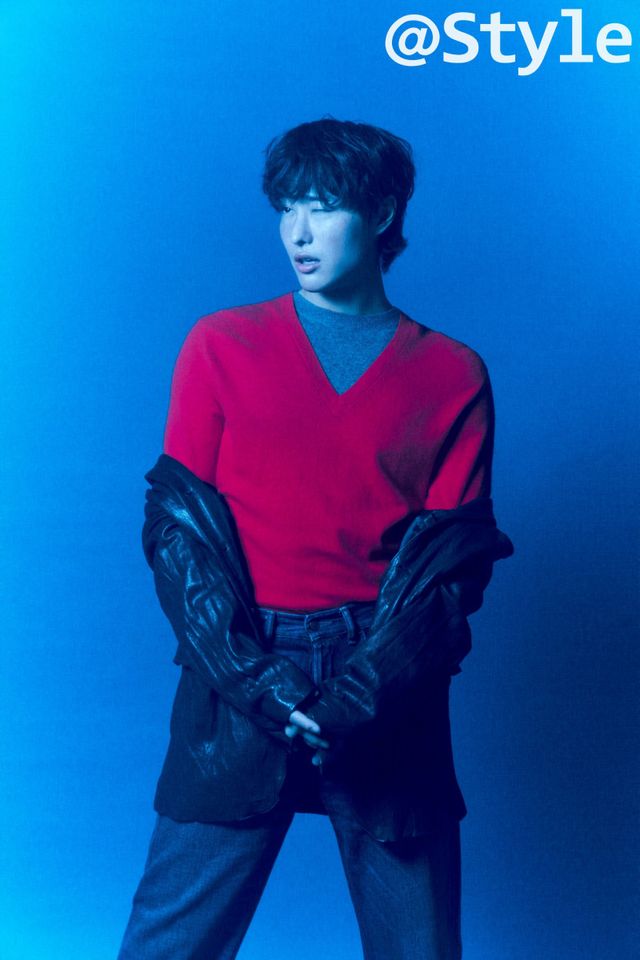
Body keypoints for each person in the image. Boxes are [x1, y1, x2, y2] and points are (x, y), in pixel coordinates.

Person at [117, 117, 513, 960]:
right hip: (240, 667)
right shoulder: (220, 345)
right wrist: (262, 684)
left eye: (324, 206)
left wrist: (359, 693)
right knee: (167, 945)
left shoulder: (452, 374)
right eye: (287, 206)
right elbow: (178, 540)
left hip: (385, 676)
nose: (298, 231)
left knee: (419, 948)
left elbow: (452, 574)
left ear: (382, 212)